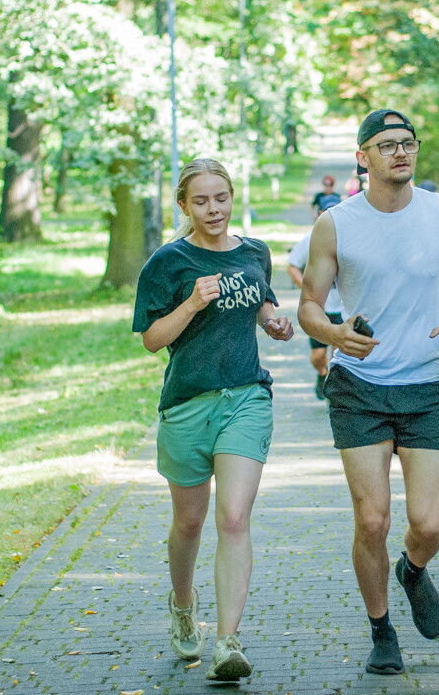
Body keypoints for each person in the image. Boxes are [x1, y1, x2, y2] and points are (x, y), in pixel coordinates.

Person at [298, 108, 439, 676]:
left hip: (429, 384)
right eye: (387, 145)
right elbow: (309, 304)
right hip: (360, 386)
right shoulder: (336, 223)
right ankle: (381, 628)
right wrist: (333, 334)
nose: (401, 153)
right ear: (363, 157)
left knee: (427, 525)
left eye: (408, 143)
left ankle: (412, 568)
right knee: (373, 519)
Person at [132, 158, 294, 681]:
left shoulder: (253, 252)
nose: (214, 209)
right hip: (186, 404)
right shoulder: (168, 262)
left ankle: (227, 642)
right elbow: (152, 340)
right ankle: (183, 605)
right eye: (200, 201)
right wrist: (190, 305)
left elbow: (262, 302)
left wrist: (274, 321)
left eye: (220, 197)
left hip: (246, 397)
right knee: (189, 522)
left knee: (233, 517)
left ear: (230, 196)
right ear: (184, 206)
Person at [287, 224, 344, 400]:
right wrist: (307, 288)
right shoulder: (314, 236)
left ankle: (334, 394)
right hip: (321, 307)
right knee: (318, 356)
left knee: (338, 355)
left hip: (344, 309)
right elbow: (292, 265)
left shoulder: (351, 232)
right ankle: (322, 373)